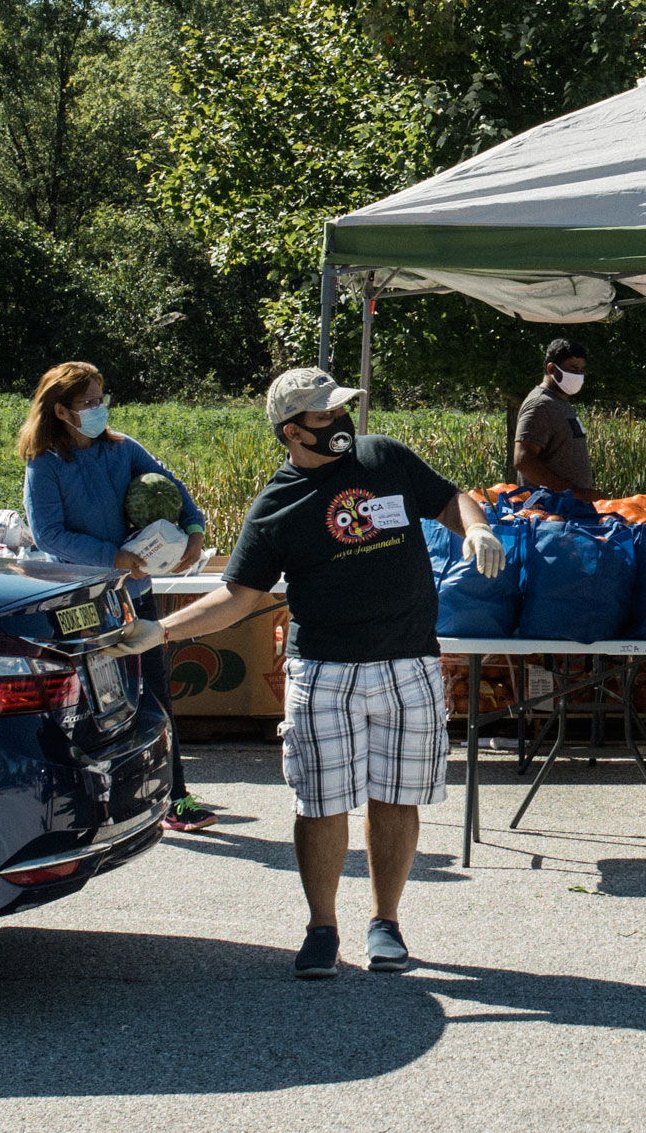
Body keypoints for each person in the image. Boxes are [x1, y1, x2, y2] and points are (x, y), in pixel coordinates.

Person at [153, 367, 506, 978]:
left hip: (409, 661)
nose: (341, 423)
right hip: (323, 672)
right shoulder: (276, 505)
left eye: (342, 411)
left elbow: (447, 498)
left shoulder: (384, 458)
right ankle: (322, 929)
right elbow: (238, 596)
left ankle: (385, 923)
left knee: (395, 798)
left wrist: (475, 527)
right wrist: (160, 631)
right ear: (292, 431)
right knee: (319, 803)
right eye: (325, 417)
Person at [19, 360, 217, 831]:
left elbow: (175, 490)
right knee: (91, 704)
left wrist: (193, 530)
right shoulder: (44, 464)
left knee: (154, 693)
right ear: (62, 410)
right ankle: (92, 802)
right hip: (80, 602)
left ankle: (174, 797)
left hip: (135, 595)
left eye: (101, 399)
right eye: (88, 402)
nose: (99, 409)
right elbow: (49, 534)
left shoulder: (123, 448)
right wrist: (113, 556)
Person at [513, 338, 598, 500]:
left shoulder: (560, 403)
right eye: (573, 368)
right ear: (551, 368)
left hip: (571, 508)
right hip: (550, 512)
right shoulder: (540, 405)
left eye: (581, 369)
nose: (578, 375)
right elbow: (523, 460)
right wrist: (575, 493)